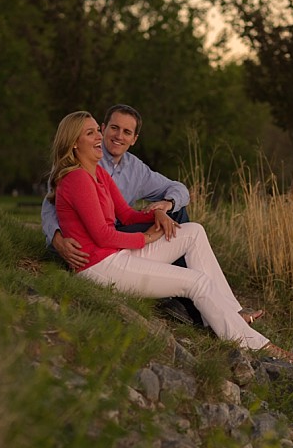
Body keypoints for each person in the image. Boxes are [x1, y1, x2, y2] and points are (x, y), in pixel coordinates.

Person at [47, 110, 293, 362]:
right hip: (98, 266)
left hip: (116, 255)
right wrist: (145, 239)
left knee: (193, 231)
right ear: (73, 143)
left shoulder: (98, 172)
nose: (99, 137)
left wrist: (156, 214)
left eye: (97, 131)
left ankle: (231, 315)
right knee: (196, 282)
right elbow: (103, 235)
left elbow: (125, 214)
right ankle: (259, 346)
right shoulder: (77, 178)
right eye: (90, 133)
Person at [41, 103, 199, 324]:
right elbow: (49, 206)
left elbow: (178, 189)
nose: (118, 136)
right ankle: (186, 301)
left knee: (178, 215)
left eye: (127, 132)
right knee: (179, 233)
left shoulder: (137, 169)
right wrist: (58, 240)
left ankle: (184, 297)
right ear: (104, 128)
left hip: (116, 230)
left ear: (134, 138)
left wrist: (166, 206)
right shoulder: (82, 161)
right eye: (114, 128)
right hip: (89, 243)